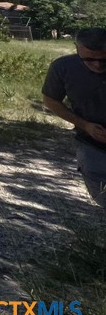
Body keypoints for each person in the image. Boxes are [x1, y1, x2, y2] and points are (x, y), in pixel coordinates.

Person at [42, 27, 106, 209]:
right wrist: (85, 125)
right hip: (91, 145)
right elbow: (50, 100)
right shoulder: (62, 67)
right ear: (76, 48)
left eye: (103, 59)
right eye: (89, 59)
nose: (97, 65)